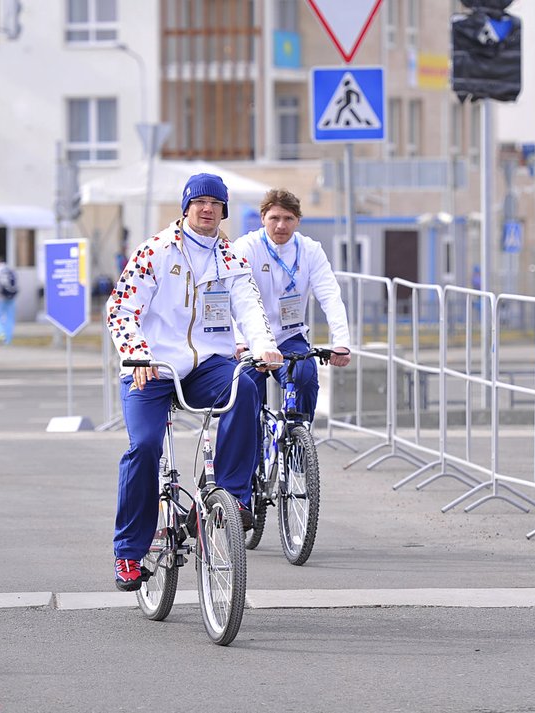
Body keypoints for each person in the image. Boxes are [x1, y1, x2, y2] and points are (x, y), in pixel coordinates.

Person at [106, 172, 282, 592]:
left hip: (206, 364)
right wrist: (136, 353)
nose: (207, 209)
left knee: (247, 385)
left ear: (223, 211)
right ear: (185, 208)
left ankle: (233, 495)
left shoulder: (231, 258)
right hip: (152, 365)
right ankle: (129, 552)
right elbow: (121, 309)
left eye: (215, 203)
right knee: (144, 447)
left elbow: (249, 308)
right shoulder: (156, 251)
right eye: (199, 202)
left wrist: (263, 345)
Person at [232, 189, 351, 423]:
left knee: (304, 375)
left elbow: (330, 296)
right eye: (274, 218)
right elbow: (230, 299)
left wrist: (341, 342)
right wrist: (239, 340)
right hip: (250, 339)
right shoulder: (246, 247)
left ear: (298, 220)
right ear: (263, 217)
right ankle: (252, 448)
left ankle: (299, 439)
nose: (280, 225)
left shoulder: (310, 250)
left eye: (288, 218)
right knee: (246, 389)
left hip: (290, 335)